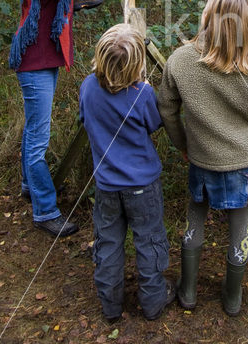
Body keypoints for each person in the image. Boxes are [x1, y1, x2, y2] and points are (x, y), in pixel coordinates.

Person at [158, 0, 248, 316]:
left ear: (207, 17)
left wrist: (183, 145)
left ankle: (189, 291)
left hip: (202, 158)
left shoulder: (180, 60)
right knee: (239, 227)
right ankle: (233, 297)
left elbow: (166, 109)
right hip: (245, 161)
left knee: (194, 221)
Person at [10, 0, 113, 237]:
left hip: (40, 63)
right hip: (36, 65)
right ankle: (45, 210)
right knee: (38, 140)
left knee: (32, 132)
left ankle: (29, 185)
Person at [79, 24, 175, 322]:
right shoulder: (143, 93)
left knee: (108, 242)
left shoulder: (87, 87)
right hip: (143, 186)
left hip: (106, 185)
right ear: (137, 64)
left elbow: (84, 118)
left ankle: (110, 304)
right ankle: (153, 298)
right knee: (149, 240)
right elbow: (154, 123)